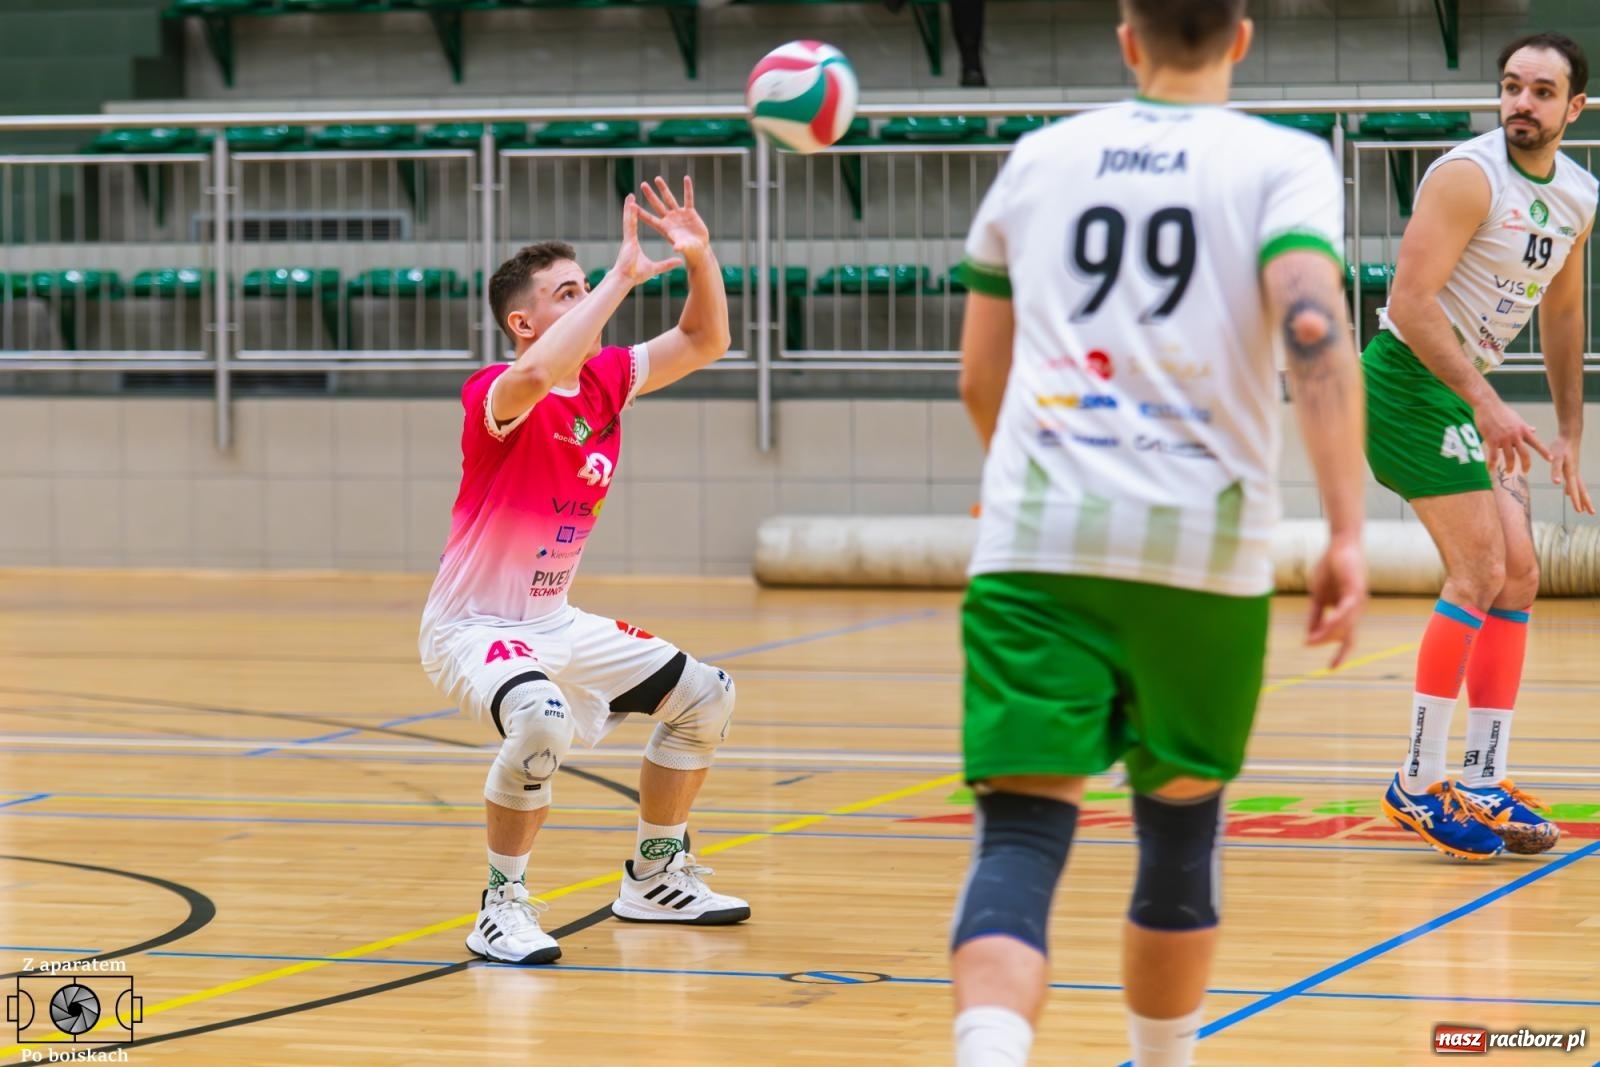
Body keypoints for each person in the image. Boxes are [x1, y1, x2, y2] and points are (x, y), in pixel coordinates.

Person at [947, 2, 1368, 1064]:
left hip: (1036, 541)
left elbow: (977, 376)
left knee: (1021, 835)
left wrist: (1015, 477)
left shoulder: (1037, 159)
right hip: (1203, 547)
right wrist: (1347, 530)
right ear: (1239, 35)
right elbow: (1312, 330)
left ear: (1126, 37)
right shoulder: (1285, 161)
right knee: (1178, 831)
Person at [418, 176, 748, 965]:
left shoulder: (605, 381)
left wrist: (701, 260)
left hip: (554, 621)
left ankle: (656, 875)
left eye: (587, 284)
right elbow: (533, 378)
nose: (591, 297)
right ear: (522, 322)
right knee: (539, 722)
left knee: (706, 695)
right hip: (474, 628)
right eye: (569, 292)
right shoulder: (495, 394)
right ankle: (501, 905)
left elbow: (706, 341)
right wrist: (621, 278)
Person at [1368, 32, 1596, 862]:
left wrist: (1569, 429)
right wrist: (1489, 402)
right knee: (1479, 571)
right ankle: (1418, 784)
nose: (1520, 104)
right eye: (1510, 87)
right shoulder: (1470, 177)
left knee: (1521, 572)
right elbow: (1412, 301)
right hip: (1405, 381)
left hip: (1462, 391)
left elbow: (1563, 314)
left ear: (1574, 108)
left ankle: (1485, 775)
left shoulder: (1577, 195)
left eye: (1541, 92)